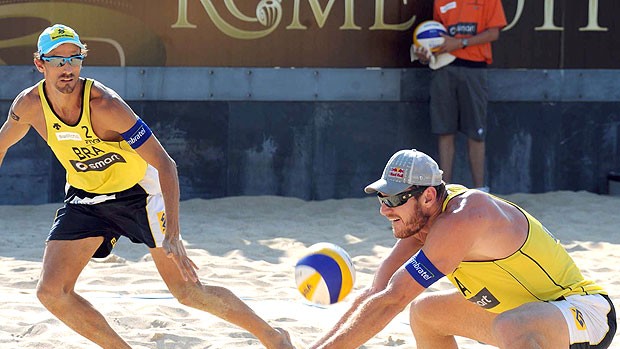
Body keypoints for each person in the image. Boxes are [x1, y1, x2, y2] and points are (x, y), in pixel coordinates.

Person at [0, 24, 293, 349]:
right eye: (57, 60)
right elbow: (1, 145)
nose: (66, 68)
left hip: (138, 193)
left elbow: (166, 164)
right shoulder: (28, 105)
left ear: (82, 60)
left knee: (187, 292)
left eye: (74, 58)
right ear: (40, 64)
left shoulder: (105, 105)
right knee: (51, 292)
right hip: (85, 196)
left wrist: (174, 235)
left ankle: (274, 337)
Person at [310, 149, 616, 348]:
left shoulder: (465, 216)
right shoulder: (423, 222)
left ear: (428, 196)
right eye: (382, 200)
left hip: (584, 313)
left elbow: (393, 300)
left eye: (393, 201)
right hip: (521, 315)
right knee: (425, 312)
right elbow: (378, 293)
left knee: (512, 324)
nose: (384, 210)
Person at [414, 0, 507, 191]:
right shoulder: (441, 2)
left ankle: (480, 190)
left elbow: (493, 33)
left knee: (476, 132)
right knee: (445, 130)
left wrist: (460, 43)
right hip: (444, 67)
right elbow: (437, 36)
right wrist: (426, 52)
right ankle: (444, 191)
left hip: (475, 69)